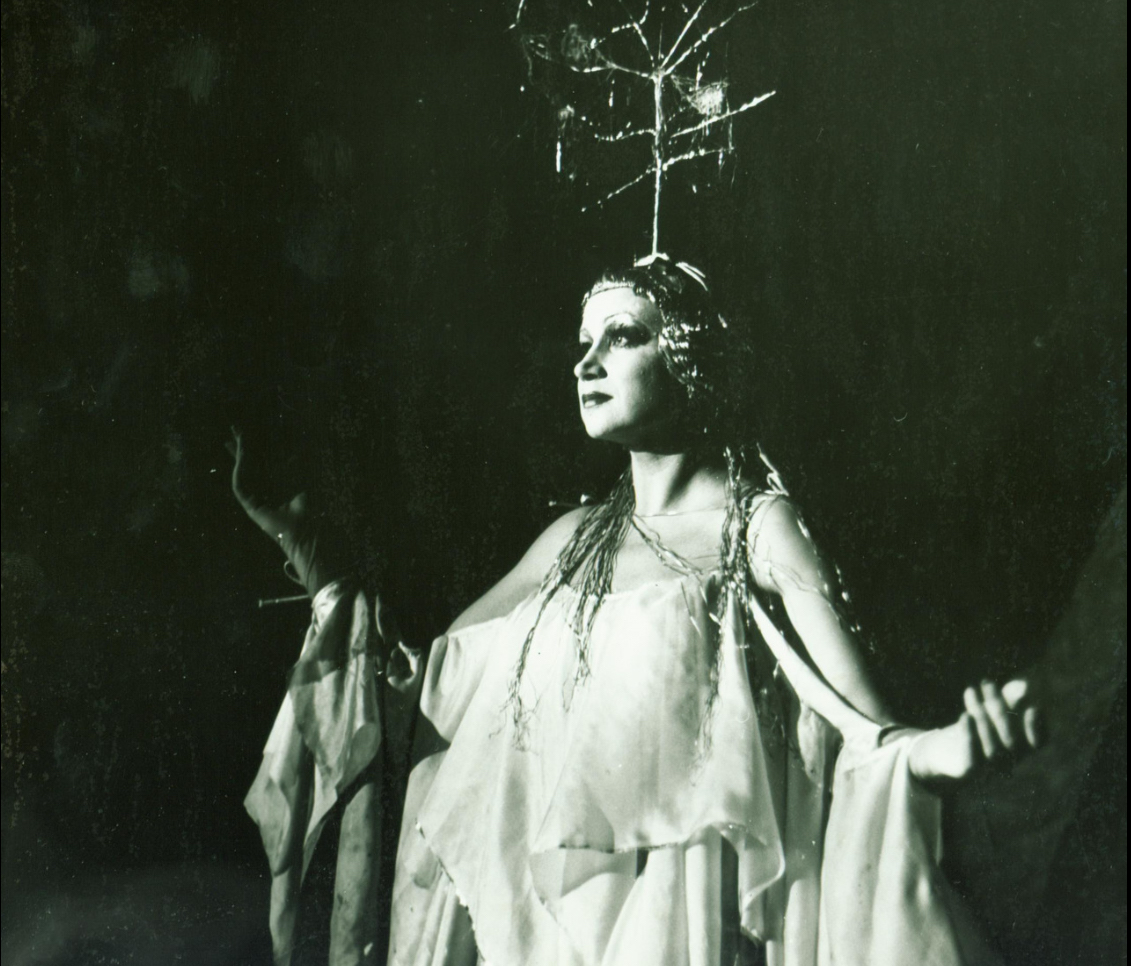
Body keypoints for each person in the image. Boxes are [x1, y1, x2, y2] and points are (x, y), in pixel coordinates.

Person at [234, 257, 1041, 966]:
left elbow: (862, 730)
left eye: (621, 337)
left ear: (690, 356)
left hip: (679, 926)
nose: (585, 362)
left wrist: (951, 750)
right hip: (544, 928)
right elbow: (421, 694)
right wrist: (313, 559)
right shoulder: (569, 541)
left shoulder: (755, 527)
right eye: (582, 341)